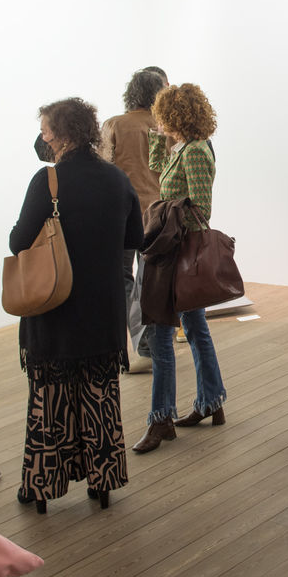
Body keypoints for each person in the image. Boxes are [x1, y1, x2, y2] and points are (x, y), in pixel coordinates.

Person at [14, 99, 143, 510]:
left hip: (55, 307)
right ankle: (102, 481)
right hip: (102, 310)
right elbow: (134, 238)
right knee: (100, 397)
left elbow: (18, 242)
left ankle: (42, 485)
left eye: (46, 130)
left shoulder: (48, 180)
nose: (43, 137)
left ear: (62, 135)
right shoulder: (116, 179)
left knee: (50, 400)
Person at [134, 83, 229, 452]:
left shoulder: (196, 152)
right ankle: (211, 401)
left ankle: (161, 419)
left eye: (162, 117)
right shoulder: (184, 149)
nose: (159, 122)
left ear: (175, 116)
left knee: (161, 334)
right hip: (174, 251)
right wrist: (159, 138)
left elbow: (202, 210)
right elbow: (159, 169)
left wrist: (164, 214)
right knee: (194, 327)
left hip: (177, 254)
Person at [100, 68, 167, 375]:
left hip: (123, 215)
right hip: (159, 213)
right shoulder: (164, 126)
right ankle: (154, 345)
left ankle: (141, 347)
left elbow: (103, 169)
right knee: (151, 280)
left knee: (124, 278)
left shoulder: (115, 125)